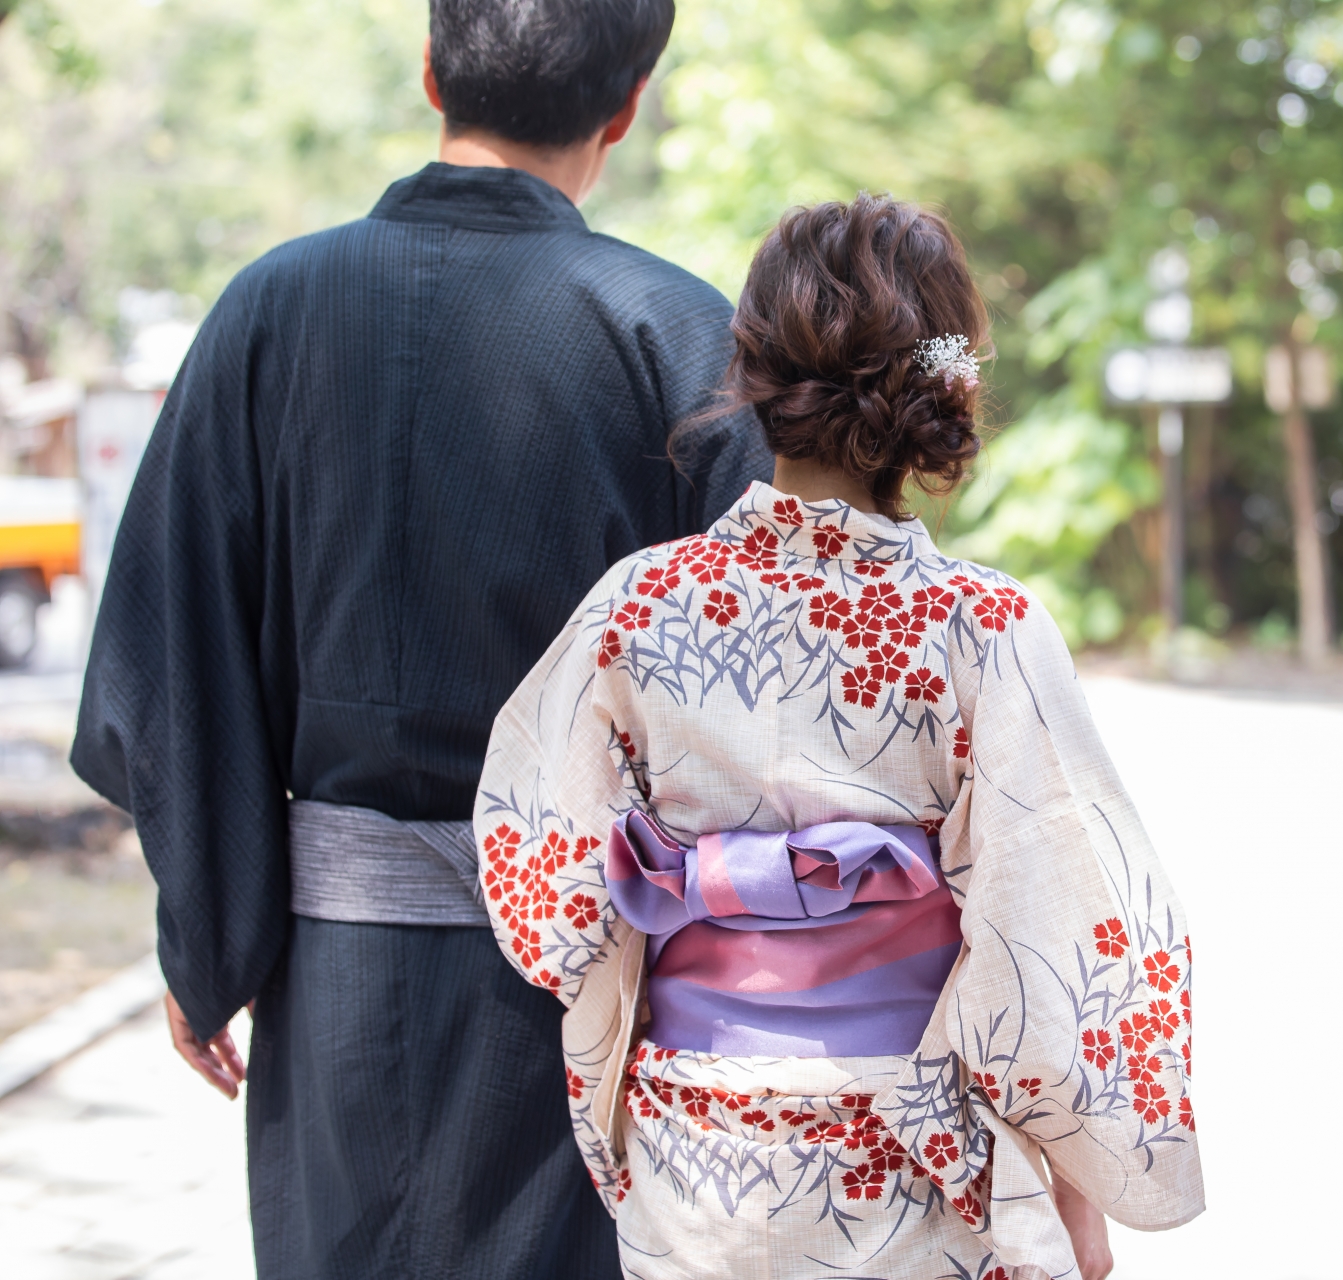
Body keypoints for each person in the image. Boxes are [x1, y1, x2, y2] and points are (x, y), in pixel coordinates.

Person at [68, 0, 770, 1274]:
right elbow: (770, 713)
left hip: (339, 986)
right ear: (629, 103)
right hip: (595, 994)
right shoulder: (676, 338)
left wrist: (208, 933)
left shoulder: (267, 312)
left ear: (433, 72)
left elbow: (171, 653)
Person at [476, 194, 1204, 1280]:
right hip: (910, 1135)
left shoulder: (637, 605)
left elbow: (546, 896)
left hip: (694, 1140)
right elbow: (1059, 929)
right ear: (945, 388)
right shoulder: (980, 626)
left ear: (750, 372)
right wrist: (1073, 1169)